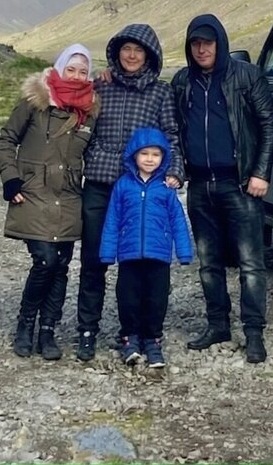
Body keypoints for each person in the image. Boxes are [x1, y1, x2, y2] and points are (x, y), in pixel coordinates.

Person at [171, 13, 273, 364]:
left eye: (208, 42)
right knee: (209, 264)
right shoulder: (182, 81)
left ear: (220, 41)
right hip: (201, 186)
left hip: (241, 185)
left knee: (250, 263)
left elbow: (270, 125)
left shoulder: (246, 76)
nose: (202, 49)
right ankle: (217, 324)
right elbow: (172, 128)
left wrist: (261, 172)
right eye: (195, 43)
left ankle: (253, 334)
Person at [75, 23, 185, 362]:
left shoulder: (160, 93)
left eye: (139, 50)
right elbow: (75, 123)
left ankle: (140, 332)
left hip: (141, 190)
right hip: (99, 183)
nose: (132, 55)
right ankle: (87, 330)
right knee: (94, 259)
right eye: (126, 49)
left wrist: (176, 171)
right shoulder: (100, 88)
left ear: (150, 55)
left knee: (141, 262)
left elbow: (172, 136)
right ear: (116, 52)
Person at [0, 43, 99, 361]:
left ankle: (48, 332)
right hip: (34, 194)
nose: (77, 76)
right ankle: (25, 326)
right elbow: (6, 139)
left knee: (62, 266)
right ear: (59, 68)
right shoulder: (35, 101)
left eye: (84, 71)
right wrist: (10, 178)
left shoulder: (91, 111)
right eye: (71, 69)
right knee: (45, 261)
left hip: (68, 198)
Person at [98, 126, 194, 367]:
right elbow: (112, 220)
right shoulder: (122, 185)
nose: (150, 159)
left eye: (155, 154)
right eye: (144, 154)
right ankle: (129, 337)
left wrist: (183, 251)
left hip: (158, 255)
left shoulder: (166, 188)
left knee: (156, 298)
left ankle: (152, 339)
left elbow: (178, 221)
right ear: (134, 156)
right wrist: (108, 252)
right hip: (129, 255)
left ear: (163, 158)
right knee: (128, 297)